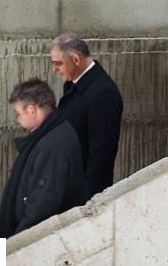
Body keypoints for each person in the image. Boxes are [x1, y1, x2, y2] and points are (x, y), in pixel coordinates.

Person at [0, 78, 85, 238]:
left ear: (31, 110)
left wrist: (16, 246)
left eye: (18, 114)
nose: (17, 120)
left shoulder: (53, 147)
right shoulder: (53, 134)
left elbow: (41, 208)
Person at [51, 33, 123, 201]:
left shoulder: (103, 94)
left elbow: (101, 158)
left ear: (76, 59)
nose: (54, 69)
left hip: (80, 199)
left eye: (58, 63)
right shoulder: (74, 83)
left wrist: (87, 206)